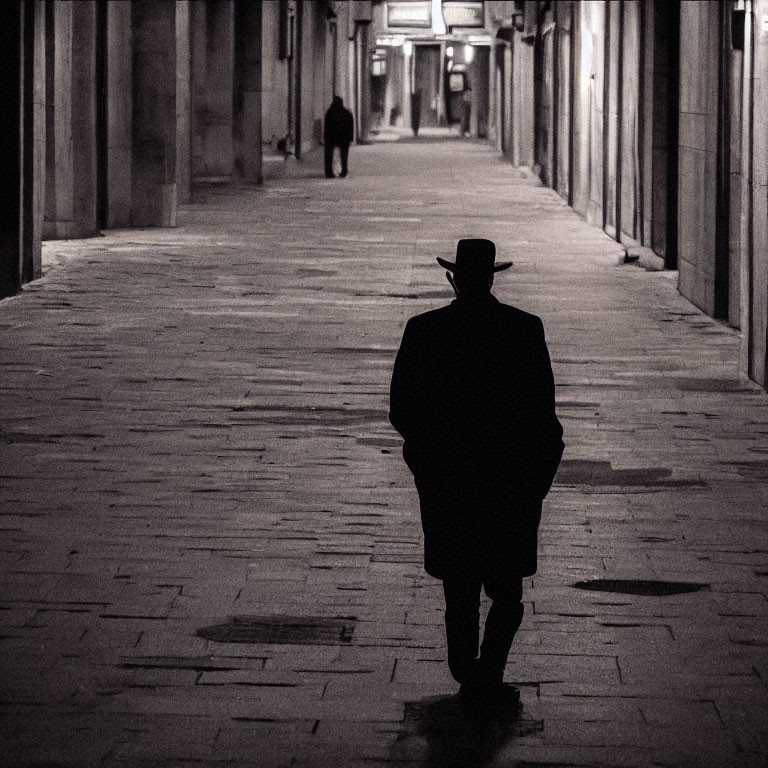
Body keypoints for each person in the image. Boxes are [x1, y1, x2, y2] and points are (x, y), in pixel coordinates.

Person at [389, 238, 564, 709]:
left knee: (459, 586)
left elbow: (402, 408)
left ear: (453, 278)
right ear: (491, 278)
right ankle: (487, 670)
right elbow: (543, 415)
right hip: (509, 485)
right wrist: (536, 480)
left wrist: (426, 460)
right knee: (506, 590)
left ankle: (467, 669)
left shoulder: (424, 330)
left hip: (449, 483)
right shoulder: (525, 330)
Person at [323, 96, 354, 179]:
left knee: (328, 155)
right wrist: (350, 138)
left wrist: (325, 138)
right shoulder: (347, 113)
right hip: (344, 138)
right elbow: (351, 127)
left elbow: (326, 127)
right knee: (344, 156)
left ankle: (329, 172)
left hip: (331, 138)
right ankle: (344, 171)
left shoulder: (330, 113)